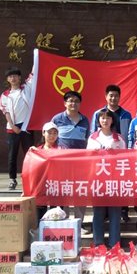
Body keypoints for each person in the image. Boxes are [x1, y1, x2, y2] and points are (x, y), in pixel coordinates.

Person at [86, 110, 126, 247]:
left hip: (115, 180)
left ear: (112, 120)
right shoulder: (93, 138)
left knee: (115, 213)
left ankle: (114, 244)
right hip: (98, 179)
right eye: (102, 118)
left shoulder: (119, 138)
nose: (105, 120)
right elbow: (87, 158)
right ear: (98, 121)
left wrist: (114, 153)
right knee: (98, 212)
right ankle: (99, 244)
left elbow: (125, 158)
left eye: (108, 118)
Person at [52, 90, 90, 223]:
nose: (73, 103)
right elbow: (51, 139)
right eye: (70, 101)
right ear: (65, 103)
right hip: (62, 163)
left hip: (80, 163)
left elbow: (88, 140)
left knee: (80, 192)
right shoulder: (57, 119)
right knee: (64, 192)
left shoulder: (85, 120)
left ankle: (79, 224)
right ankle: (65, 222)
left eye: (76, 101)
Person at [0, 67, 34, 190]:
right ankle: (12, 179)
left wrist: (37, 57)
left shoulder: (26, 88)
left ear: (19, 78)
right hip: (12, 128)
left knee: (30, 154)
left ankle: (31, 178)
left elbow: (33, 74)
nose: (13, 78)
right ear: (8, 79)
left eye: (15, 76)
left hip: (27, 126)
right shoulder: (5, 95)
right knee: (12, 155)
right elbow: (6, 112)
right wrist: (13, 126)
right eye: (10, 76)